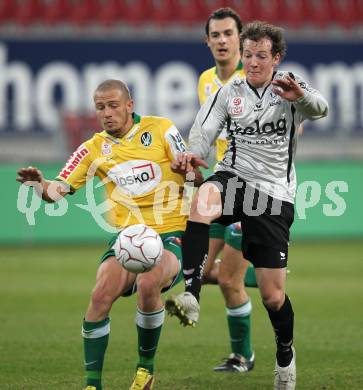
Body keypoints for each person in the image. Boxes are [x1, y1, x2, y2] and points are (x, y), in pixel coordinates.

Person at [166, 21, 329, 390]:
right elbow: (204, 130)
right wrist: (193, 154)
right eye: (249, 55)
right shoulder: (230, 91)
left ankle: (284, 352)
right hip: (233, 178)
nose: (253, 63)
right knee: (204, 199)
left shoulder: (289, 86)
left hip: (274, 194)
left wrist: (299, 96)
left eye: (261, 56)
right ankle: (191, 296)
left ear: (276, 58)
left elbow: (321, 108)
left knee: (273, 296)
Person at [16, 79, 205, 390]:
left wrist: (188, 170)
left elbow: (197, 174)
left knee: (148, 284)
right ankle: (92, 385)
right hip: (128, 239)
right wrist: (39, 185)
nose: (106, 113)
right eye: (100, 107)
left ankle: (145, 371)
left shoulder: (162, 129)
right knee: (100, 295)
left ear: (129, 106)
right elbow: (58, 191)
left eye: (113, 106)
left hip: (171, 232)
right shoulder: (92, 148)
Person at [198, 7, 256, 373]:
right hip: (221, 187)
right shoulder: (205, 79)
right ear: (208, 41)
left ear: (240, 38)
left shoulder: (255, 78)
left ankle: (243, 357)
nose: (222, 40)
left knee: (229, 281)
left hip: (253, 190)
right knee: (199, 272)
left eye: (228, 34)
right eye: (215, 35)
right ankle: (261, 266)